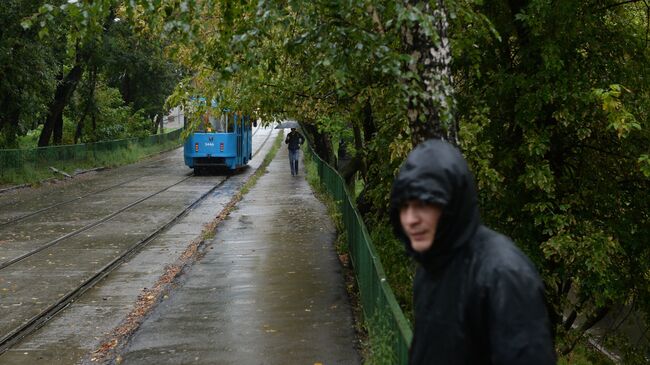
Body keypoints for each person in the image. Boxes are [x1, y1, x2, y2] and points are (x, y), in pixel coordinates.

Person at [389, 139, 556, 365]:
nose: (411, 220)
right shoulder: (431, 266)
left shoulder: (503, 274)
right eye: (404, 207)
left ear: (452, 204)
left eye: (424, 205)